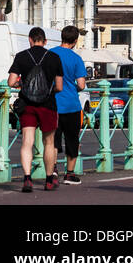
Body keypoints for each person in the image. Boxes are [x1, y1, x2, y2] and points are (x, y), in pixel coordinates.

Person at [7, 26, 64, 193]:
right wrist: (47, 90)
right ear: (45, 41)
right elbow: (59, 87)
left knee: (27, 142)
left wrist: (22, 85)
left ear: (30, 40)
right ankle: (48, 180)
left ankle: (27, 178)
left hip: (27, 104)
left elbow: (11, 82)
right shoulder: (54, 57)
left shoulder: (21, 56)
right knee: (49, 142)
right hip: (48, 105)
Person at [48, 25, 88, 185]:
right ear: (76, 41)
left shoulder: (50, 54)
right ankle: (70, 174)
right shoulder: (76, 59)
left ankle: (54, 169)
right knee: (72, 140)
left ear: (61, 37)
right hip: (72, 104)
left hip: (53, 104)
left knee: (52, 140)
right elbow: (82, 84)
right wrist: (73, 87)